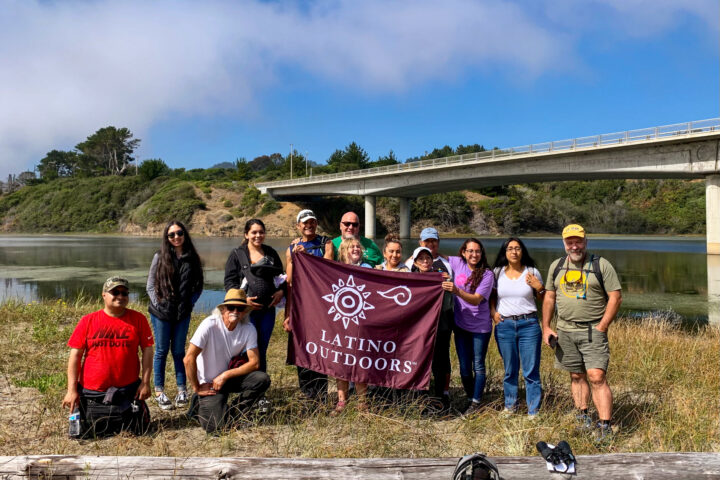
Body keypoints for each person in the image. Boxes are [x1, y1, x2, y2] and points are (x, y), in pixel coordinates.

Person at [542, 224, 622, 440]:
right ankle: (582, 415)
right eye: (570, 242)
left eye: (578, 241)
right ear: (564, 244)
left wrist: (603, 325)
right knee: (576, 375)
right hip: (565, 330)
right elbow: (549, 297)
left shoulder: (601, 265)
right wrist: (546, 326)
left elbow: (615, 296)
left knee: (597, 376)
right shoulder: (556, 266)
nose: (574, 246)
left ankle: (605, 425)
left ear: (586, 242)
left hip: (592, 330)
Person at [62, 276, 153, 437]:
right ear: (104, 295)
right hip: (93, 392)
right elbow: (75, 356)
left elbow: (147, 351)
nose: (120, 296)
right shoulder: (88, 321)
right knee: (82, 435)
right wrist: (71, 390)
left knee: (141, 431)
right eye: (115, 292)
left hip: (127, 389)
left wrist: (145, 383)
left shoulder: (138, 319)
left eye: (125, 293)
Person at [183, 289, 271, 433]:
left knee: (262, 379)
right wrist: (197, 387)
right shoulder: (209, 325)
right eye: (231, 307)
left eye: (240, 308)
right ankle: (198, 401)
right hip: (209, 384)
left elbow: (255, 363)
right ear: (223, 309)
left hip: (228, 379)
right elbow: (188, 358)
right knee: (215, 429)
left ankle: (234, 411)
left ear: (245, 312)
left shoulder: (249, 329)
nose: (235, 311)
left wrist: (225, 375)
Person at [146, 220, 204, 410]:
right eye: (171, 235)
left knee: (179, 352)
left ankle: (182, 391)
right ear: (167, 238)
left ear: (184, 234)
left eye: (179, 233)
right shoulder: (159, 256)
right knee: (161, 351)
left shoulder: (192, 258)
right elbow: (150, 285)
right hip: (161, 313)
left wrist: (190, 302)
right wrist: (158, 304)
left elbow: (198, 286)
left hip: (182, 313)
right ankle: (160, 392)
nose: (176, 237)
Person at [491, 237, 544, 417]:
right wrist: (493, 313)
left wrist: (540, 288)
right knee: (510, 370)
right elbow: (491, 296)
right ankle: (510, 406)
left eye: (518, 248)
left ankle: (533, 410)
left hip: (528, 324)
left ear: (523, 251)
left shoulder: (532, 272)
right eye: (510, 248)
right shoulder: (497, 272)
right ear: (504, 252)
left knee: (531, 371)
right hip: (504, 325)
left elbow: (546, 300)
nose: (514, 252)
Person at [283, 209, 334, 400]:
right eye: (304, 222)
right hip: (300, 306)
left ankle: (321, 392)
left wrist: (307, 258)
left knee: (320, 345)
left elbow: (327, 270)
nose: (308, 225)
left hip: (320, 306)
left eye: (312, 221)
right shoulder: (291, 249)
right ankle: (306, 391)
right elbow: (289, 283)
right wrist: (287, 314)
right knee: (301, 345)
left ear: (316, 223)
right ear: (298, 226)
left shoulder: (325, 243)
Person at [224, 218, 286, 373]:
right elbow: (230, 282)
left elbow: (282, 276)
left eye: (261, 232)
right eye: (254, 232)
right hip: (245, 312)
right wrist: (243, 301)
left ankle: (260, 389)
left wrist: (281, 291)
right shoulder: (237, 254)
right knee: (246, 348)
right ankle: (244, 384)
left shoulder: (270, 252)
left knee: (262, 347)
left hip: (267, 311)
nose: (258, 235)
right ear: (246, 234)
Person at [441, 238, 494, 414]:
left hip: (480, 327)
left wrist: (456, 291)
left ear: (481, 254)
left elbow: (477, 299)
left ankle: (476, 402)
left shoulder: (487, 274)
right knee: (464, 367)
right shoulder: (456, 263)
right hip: (460, 325)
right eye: (470, 251)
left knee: (478, 364)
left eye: (477, 251)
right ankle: (472, 398)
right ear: (463, 252)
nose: (474, 254)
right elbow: (435, 256)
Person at [331, 236, 373, 415]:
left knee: (360, 360)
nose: (356, 249)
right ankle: (342, 401)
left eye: (358, 246)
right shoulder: (335, 269)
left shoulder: (368, 268)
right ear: (343, 250)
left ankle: (362, 402)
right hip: (340, 321)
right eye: (351, 247)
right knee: (341, 361)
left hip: (362, 322)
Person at [411, 246, 454, 410]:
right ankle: (420, 397)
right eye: (421, 259)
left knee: (440, 362)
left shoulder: (441, 277)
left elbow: (448, 305)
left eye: (427, 258)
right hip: (419, 330)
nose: (425, 261)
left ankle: (440, 396)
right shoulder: (411, 279)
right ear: (415, 262)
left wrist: (447, 284)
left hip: (440, 327)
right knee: (420, 361)